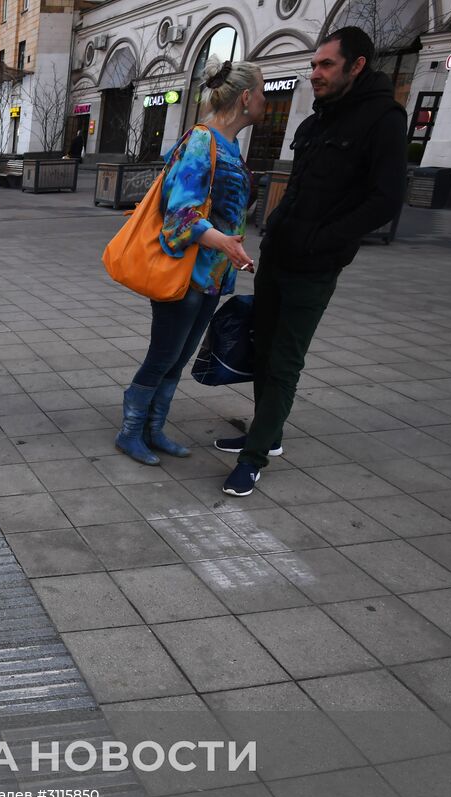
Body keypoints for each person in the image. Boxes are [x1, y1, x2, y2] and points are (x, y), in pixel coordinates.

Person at [218, 26, 406, 496]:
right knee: (263, 350)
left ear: (356, 66)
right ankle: (267, 434)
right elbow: (300, 187)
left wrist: (323, 239)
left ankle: (253, 458)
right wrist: (275, 225)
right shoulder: (318, 119)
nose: (315, 73)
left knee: (284, 360)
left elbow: (386, 199)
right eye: (313, 64)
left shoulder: (382, 118)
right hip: (279, 255)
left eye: (326, 65)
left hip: (316, 266)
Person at [114, 57, 264, 466]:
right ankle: (130, 432)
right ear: (246, 97)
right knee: (163, 356)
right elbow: (180, 214)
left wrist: (227, 249)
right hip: (184, 274)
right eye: (262, 92)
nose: (265, 101)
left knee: (179, 358)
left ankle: (154, 429)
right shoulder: (202, 140)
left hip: (210, 276)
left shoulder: (229, 146)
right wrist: (226, 243)